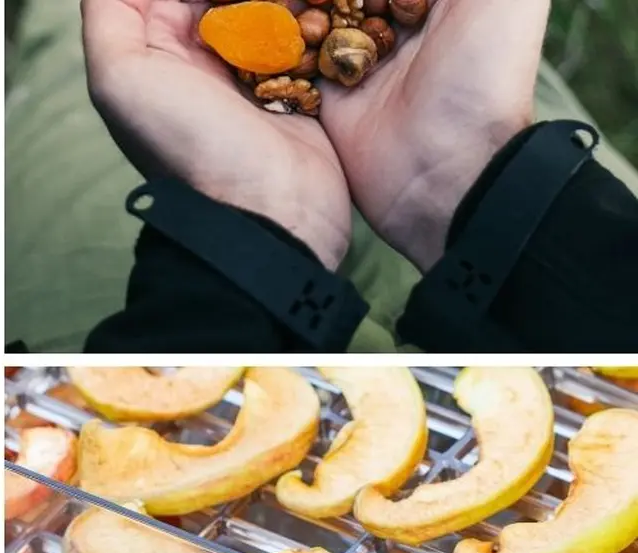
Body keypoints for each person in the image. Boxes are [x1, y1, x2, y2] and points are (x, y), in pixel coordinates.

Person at [61, 0, 638, 352]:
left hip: (190, 303)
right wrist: (481, 176)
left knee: (60, 58)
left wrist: (248, 219)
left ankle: (45, 33)